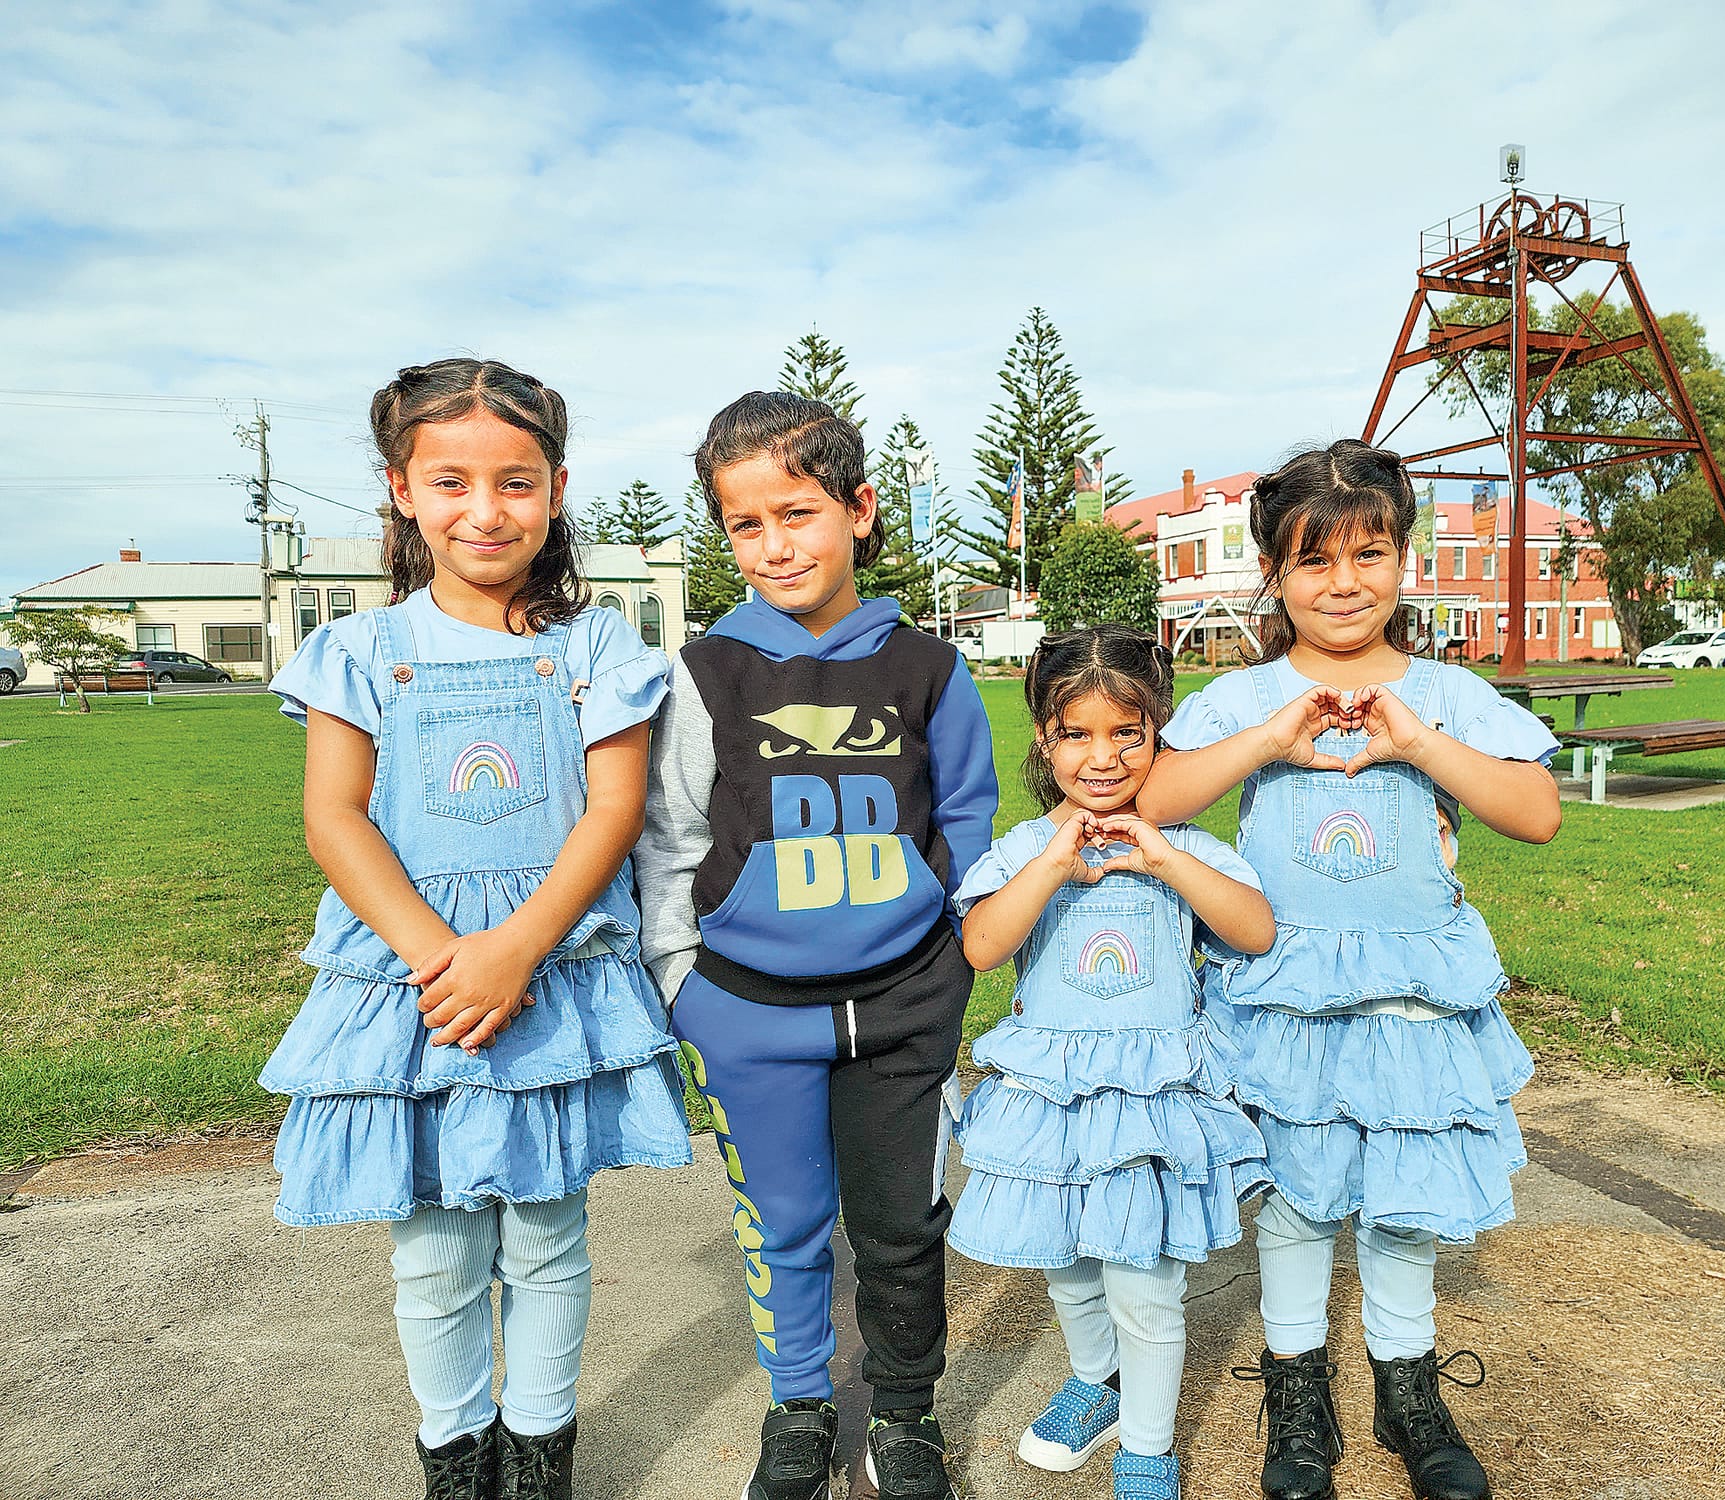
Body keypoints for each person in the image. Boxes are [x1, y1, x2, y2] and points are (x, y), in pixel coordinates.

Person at [260, 358, 693, 1500]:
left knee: (548, 1236)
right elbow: (333, 818)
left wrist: (518, 948)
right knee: (437, 1245)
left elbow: (612, 809)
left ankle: (541, 1453)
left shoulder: (595, 647)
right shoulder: (353, 652)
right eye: (450, 481)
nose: (484, 510)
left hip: (553, 977)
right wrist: (440, 958)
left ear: (554, 489)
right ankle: (455, 1457)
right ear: (402, 489)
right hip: (414, 989)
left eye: (514, 481)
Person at [1137, 440, 1561, 1500]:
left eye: (1367, 554)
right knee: (1295, 1198)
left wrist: (1420, 747)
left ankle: (1405, 1387)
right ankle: (1295, 1390)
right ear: (1273, 577)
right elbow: (1153, 802)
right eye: (1313, 562)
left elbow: (1535, 814)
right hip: (1283, 991)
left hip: (1412, 999)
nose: (1342, 583)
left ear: (1402, 559)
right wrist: (1267, 743)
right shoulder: (1243, 697)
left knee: (1399, 1194)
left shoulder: (1445, 695)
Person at [633, 391, 998, 1500]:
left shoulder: (928, 669)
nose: (775, 545)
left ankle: (904, 1413)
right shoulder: (702, 673)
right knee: (783, 1223)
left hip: (904, 1004)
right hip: (745, 1011)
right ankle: (797, 1407)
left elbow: (970, 827)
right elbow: (669, 836)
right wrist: (680, 982)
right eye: (746, 525)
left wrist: (954, 962)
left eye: (796, 513)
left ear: (859, 509)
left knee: (899, 1229)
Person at [947, 626, 1275, 1500]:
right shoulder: (1025, 853)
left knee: (1143, 1280)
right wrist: (1055, 860)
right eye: (1077, 735)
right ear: (1044, 742)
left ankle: (1150, 1448)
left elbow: (1254, 930)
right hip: (1053, 1107)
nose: (1103, 758)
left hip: (1153, 1107)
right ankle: (1099, 1381)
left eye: (1127, 733)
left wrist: (1164, 855)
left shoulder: (1185, 850)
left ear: (1158, 734)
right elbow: (981, 945)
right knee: (1067, 1263)